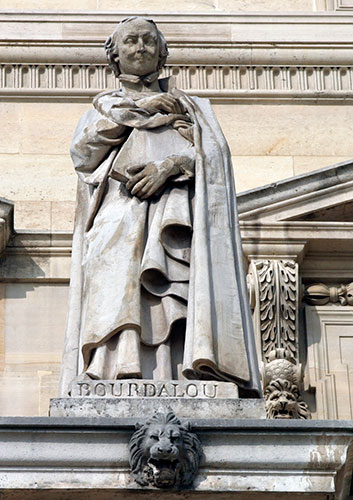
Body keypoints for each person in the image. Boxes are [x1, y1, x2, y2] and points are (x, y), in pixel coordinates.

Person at [60, 16, 261, 397]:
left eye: (149, 41)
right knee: (115, 281)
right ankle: (110, 365)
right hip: (117, 214)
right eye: (131, 41)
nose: (141, 47)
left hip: (175, 211)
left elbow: (214, 159)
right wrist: (144, 109)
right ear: (115, 56)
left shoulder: (193, 108)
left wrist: (169, 167)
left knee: (173, 288)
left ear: (162, 53)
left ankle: (176, 368)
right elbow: (83, 155)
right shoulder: (102, 111)